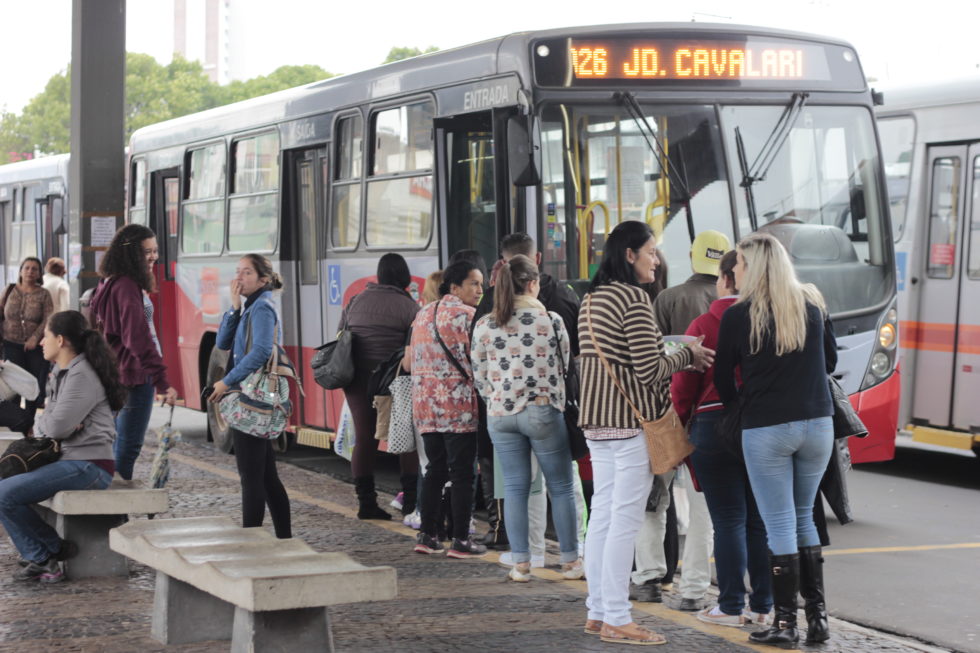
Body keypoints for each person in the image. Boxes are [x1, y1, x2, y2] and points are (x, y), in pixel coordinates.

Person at [578, 220, 713, 646]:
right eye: (651, 251)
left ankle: (598, 611)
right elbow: (650, 369)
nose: (658, 260)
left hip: (596, 422)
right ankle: (618, 616)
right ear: (630, 254)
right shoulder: (634, 299)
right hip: (630, 423)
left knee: (602, 516)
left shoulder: (591, 300)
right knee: (624, 520)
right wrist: (687, 355)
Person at [714, 233, 837, 647]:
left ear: (754, 267)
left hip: (766, 427)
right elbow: (831, 361)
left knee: (779, 522)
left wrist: (741, 409)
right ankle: (817, 620)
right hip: (818, 424)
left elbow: (721, 379)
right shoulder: (813, 304)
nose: (736, 271)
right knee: (804, 518)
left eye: (741, 264)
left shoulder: (738, 314)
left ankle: (785, 625)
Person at [671, 250, 773, 627]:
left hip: (713, 426)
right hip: (760, 425)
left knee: (727, 518)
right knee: (759, 520)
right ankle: (763, 605)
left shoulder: (704, 323)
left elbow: (684, 385)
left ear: (728, 278)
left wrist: (682, 424)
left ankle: (730, 606)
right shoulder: (768, 320)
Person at [634, 230, 731, 609]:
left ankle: (648, 578)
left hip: (665, 413)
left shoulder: (667, 298)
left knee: (653, 501)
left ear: (692, 258)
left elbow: (651, 361)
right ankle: (693, 590)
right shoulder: (733, 309)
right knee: (704, 506)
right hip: (711, 419)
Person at [471, 254, 584, 582]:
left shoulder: (485, 324)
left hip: (500, 415)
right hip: (542, 409)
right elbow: (566, 368)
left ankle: (521, 563)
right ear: (533, 284)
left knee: (516, 487)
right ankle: (570, 562)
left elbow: (480, 375)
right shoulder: (551, 321)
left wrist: (498, 398)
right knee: (560, 486)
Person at [0, 310, 126, 583]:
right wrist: (56, 424)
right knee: (6, 484)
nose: (41, 342)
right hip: (69, 460)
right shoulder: (63, 371)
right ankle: (52, 548)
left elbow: (54, 427)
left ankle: (45, 558)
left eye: (45, 336)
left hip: (89, 465)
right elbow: (49, 422)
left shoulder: (82, 375)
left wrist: (55, 424)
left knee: (4, 494)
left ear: (61, 340)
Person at [209, 254, 291, 539]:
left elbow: (261, 351)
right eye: (237, 272)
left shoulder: (262, 308)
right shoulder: (250, 306)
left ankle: (251, 543)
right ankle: (284, 539)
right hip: (249, 395)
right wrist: (233, 309)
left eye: (246, 273)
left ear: (263, 280)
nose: (238, 278)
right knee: (266, 476)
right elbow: (222, 343)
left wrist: (226, 381)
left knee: (252, 478)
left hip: (251, 399)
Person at [409, 259, 486, 558]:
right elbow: (478, 360)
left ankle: (427, 534)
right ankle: (460, 539)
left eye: (481, 283)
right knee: (463, 473)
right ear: (455, 287)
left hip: (427, 407)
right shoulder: (469, 316)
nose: (480, 289)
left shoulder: (423, 313)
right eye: (474, 283)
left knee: (434, 471)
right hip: (458, 408)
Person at [89, 224, 178, 480]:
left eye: (155, 251)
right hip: (136, 376)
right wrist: (162, 381)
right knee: (127, 448)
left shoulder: (111, 281)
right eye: (146, 251)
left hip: (122, 372)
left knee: (118, 445)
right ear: (130, 253)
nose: (153, 257)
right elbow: (137, 337)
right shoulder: (126, 286)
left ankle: (111, 509)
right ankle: (113, 513)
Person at [340, 253, 420, 522]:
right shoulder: (408, 306)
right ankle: (410, 502)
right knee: (405, 438)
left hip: (357, 378)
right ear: (404, 276)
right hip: (392, 380)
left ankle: (366, 503)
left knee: (365, 438)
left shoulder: (356, 300)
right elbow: (414, 347)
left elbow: (342, 334)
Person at [1, 257, 54, 422]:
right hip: (10, 343)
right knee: (13, 385)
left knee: (33, 385)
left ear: (39, 274)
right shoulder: (9, 290)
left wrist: (34, 338)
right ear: (21, 271)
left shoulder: (44, 294)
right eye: (27, 268)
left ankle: (29, 423)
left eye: (34, 269)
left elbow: (48, 318)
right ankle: (16, 421)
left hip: (35, 347)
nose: (30, 272)